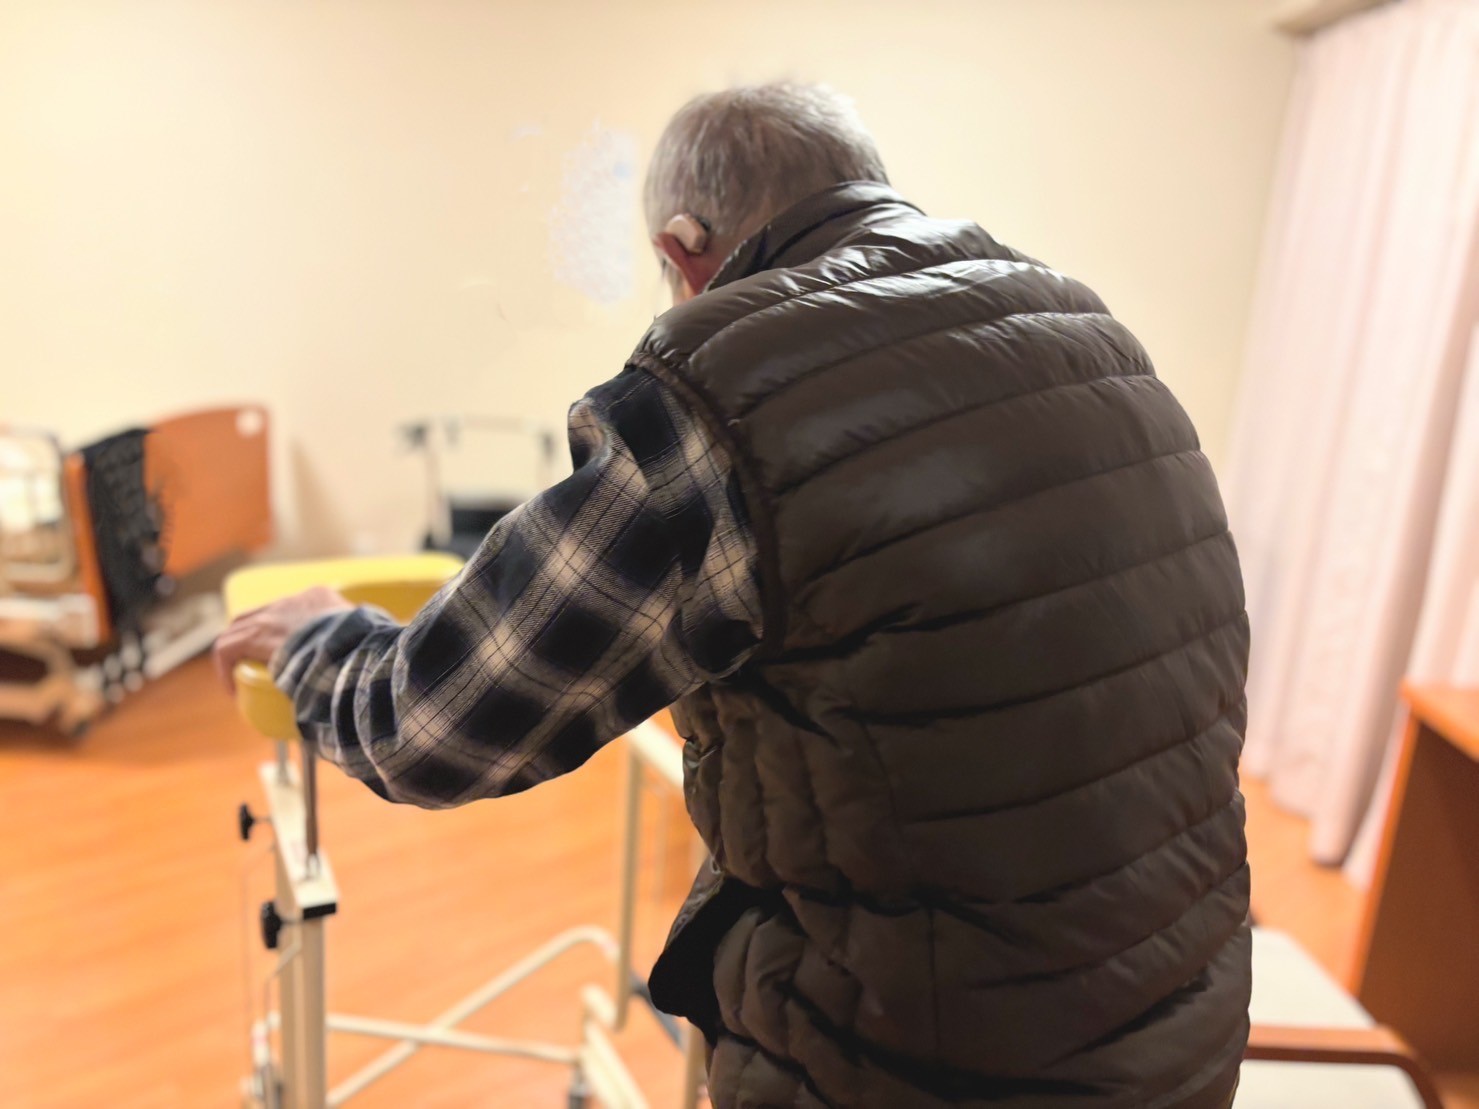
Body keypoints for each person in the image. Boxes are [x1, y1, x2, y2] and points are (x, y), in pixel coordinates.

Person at [215, 82, 1250, 1108]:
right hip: (1179, 1035)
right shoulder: (1088, 332)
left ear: (682, 249)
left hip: (920, 1069)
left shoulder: (727, 394)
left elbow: (433, 725)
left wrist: (321, 641)